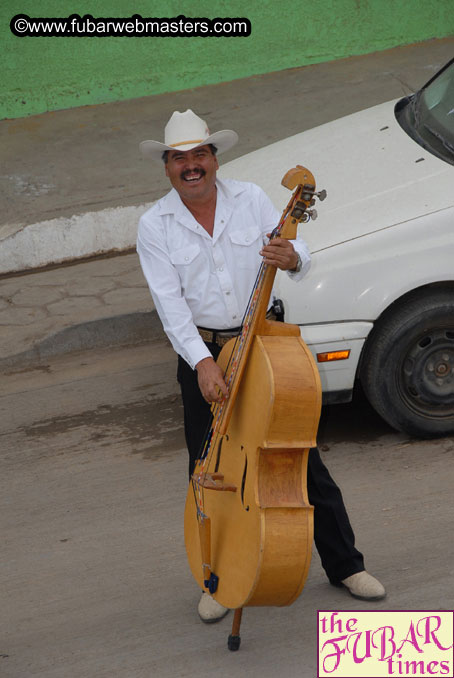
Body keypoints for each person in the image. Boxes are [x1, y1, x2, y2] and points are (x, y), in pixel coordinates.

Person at [137, 109, 386, 623]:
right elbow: (170, 306)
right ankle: (216, 577)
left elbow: (298, 252)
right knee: (208, 471)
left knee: (299, 460)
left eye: (199, 155)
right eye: (179, 158)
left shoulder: (249, 198)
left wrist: (292, 258)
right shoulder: (154, 225)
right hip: (203, 355)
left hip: (263, 349)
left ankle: (345, 566)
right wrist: (204, 365)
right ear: (166, 167)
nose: (191, 166)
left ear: (214, 159)